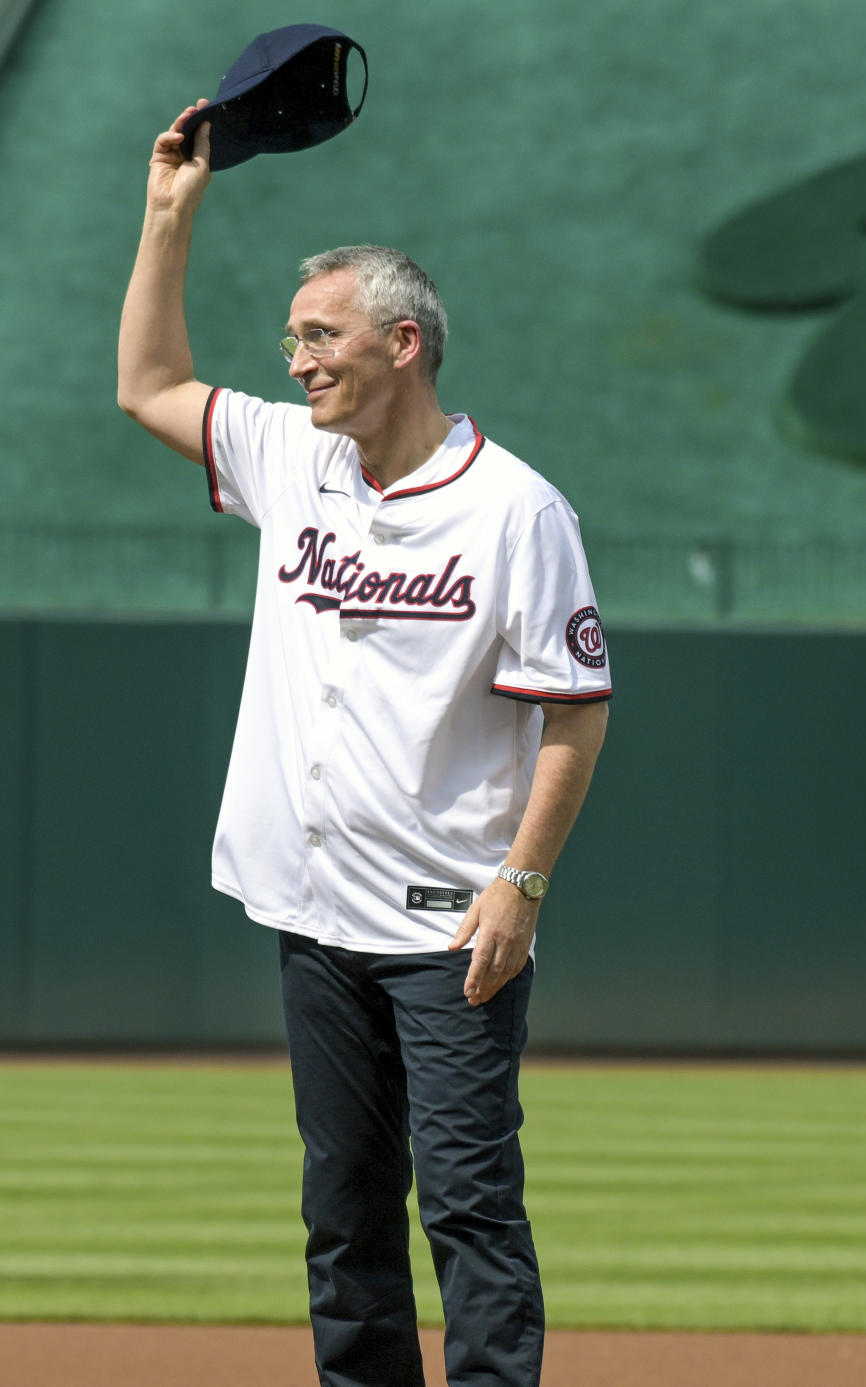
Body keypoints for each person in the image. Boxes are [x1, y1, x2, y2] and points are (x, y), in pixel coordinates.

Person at [118, 102, 611, 1387]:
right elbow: (150, 386)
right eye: (292, 338)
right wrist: (170, 213)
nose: (297, 362)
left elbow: (575, 711)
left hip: (450, 923)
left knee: (467, 1208)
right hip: (313, 916)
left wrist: (523, 881)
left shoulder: (516, 510)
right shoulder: (294, 459)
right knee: (343, 1219)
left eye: (320, 336)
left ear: (403, 342)